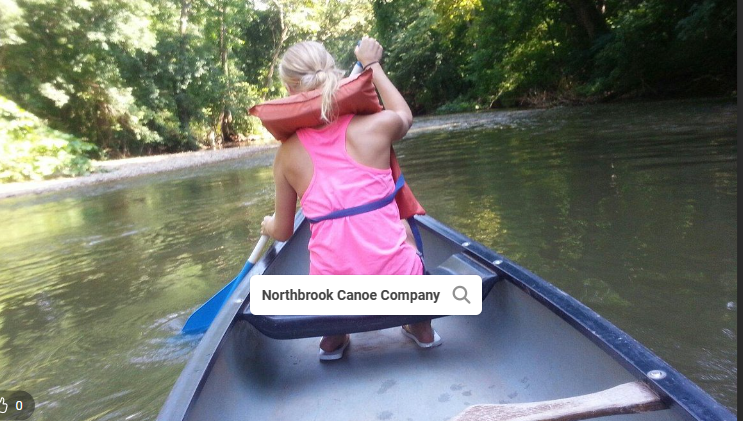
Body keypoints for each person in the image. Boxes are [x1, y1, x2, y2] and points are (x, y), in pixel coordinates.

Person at [260, 37, 441, 360]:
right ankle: (420, 325)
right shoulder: (376, 127)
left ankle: (333, 334)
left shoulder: (286, 154)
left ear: (288, 89)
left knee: (327, 262)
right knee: (404, 227)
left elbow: (284, 231)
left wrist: (269, 225)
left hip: (334, 298)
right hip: (399, 287)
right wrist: (373, 65)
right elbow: (404, 114)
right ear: (333, 73)